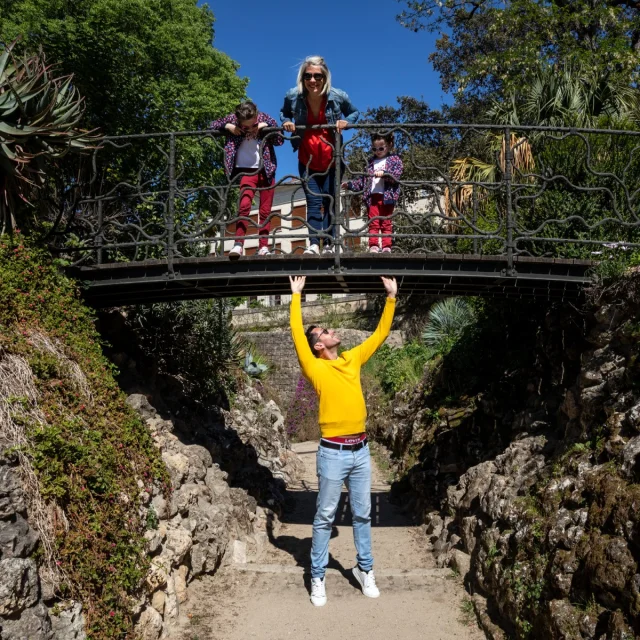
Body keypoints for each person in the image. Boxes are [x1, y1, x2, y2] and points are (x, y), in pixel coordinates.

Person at [288, 274, 398, 606]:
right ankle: (317, 575)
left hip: (361, 452)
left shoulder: (352, 360)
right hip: (333, 453)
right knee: (324, 516)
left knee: (363, 515)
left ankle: (365, 569)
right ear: (318, 345)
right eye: (324, 332)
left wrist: (391, 298)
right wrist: (296, 297)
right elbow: (297, 337)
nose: (331, 331)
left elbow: (379, 335)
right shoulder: (315, 369)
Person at [280, 56, 360, 255]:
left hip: (333, 160)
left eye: (318, 76)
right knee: (314, 203)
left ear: (325, 78)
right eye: (308, 76)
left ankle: (331, 244)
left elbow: (354, 113)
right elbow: (284, 113)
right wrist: (287, 122)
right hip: (307, 160)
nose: (313, 81)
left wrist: (346, 122)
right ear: (302, 78)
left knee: (330, 201)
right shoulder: (293, 96)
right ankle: (314, 243)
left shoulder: (337, 96)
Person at [210, 101, 283, 258]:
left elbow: (279, 140)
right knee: (244, 205)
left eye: (252, 125)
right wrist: (227, 127)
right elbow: (212, 125)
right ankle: (238, 244)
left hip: (266, 169)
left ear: (256, 115)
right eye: (245, 127)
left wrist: (264, 126)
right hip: (247, 171)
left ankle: (263, 246)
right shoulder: (233, 120)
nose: (248, 129)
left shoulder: (264, 118)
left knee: (265, 210)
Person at [343, 132, 403, 253]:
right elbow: (363, 181)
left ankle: (386, 246)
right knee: (373, 222)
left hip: (387, 196)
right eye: (374, 148)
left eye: (381, 148)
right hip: (372, 197)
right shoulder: (371, 162)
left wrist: (385, 174)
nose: (378, 151)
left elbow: (396, 175)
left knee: (386, 222)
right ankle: (373, 245)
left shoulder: (394, 159)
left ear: (389, 145)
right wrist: (349, 185)